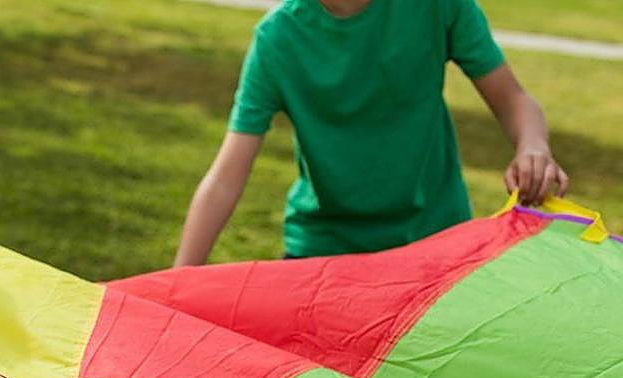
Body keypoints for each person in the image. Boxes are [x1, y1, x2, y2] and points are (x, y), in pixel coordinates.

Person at [175, 0, 569, 264]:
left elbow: (512, 98)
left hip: (438, 244)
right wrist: (174, 287)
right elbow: (225, 178)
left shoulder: (437, 6)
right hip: (323, 253)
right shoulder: (278, 39)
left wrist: (532, 146)